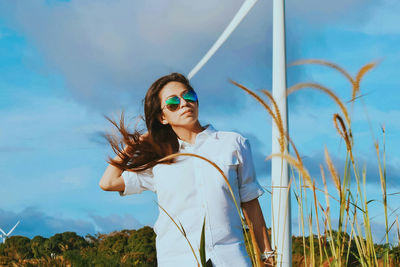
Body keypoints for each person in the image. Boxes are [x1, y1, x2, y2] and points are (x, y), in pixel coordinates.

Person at [99, 73, 273, 266]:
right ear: (162, 117)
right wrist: (136, 143)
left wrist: (267, 255)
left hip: (230, 259)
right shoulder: (160, 160)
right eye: (173, 102)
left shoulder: (232, 143)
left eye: (189, 96)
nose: (184, 103)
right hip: (177, 260)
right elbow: (108, 182)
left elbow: (250, 203)